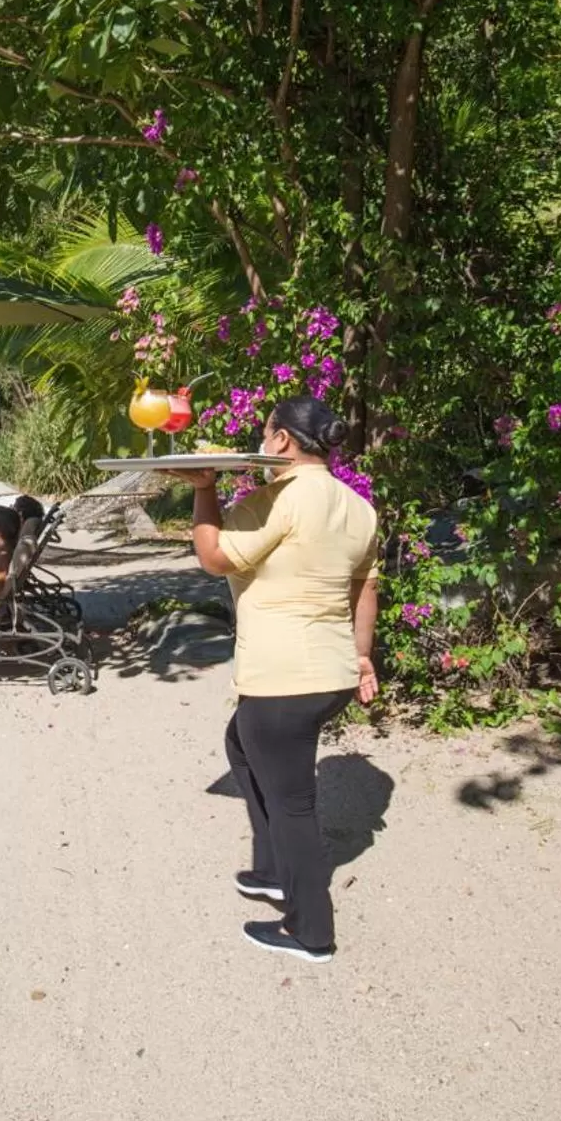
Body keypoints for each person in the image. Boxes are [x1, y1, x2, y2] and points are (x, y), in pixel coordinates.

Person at [171, 395, 380, 965]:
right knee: (240, 742)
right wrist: (362, 657)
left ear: (283, 440)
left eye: (266, 434)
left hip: (283, 676)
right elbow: (367, 587)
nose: (262, 444)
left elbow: (214, 556)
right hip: (330, 672)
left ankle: (310, 931)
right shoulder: (358, 506)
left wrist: (203, 488)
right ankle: (270, 870)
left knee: (294, 805)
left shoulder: (283, 499)